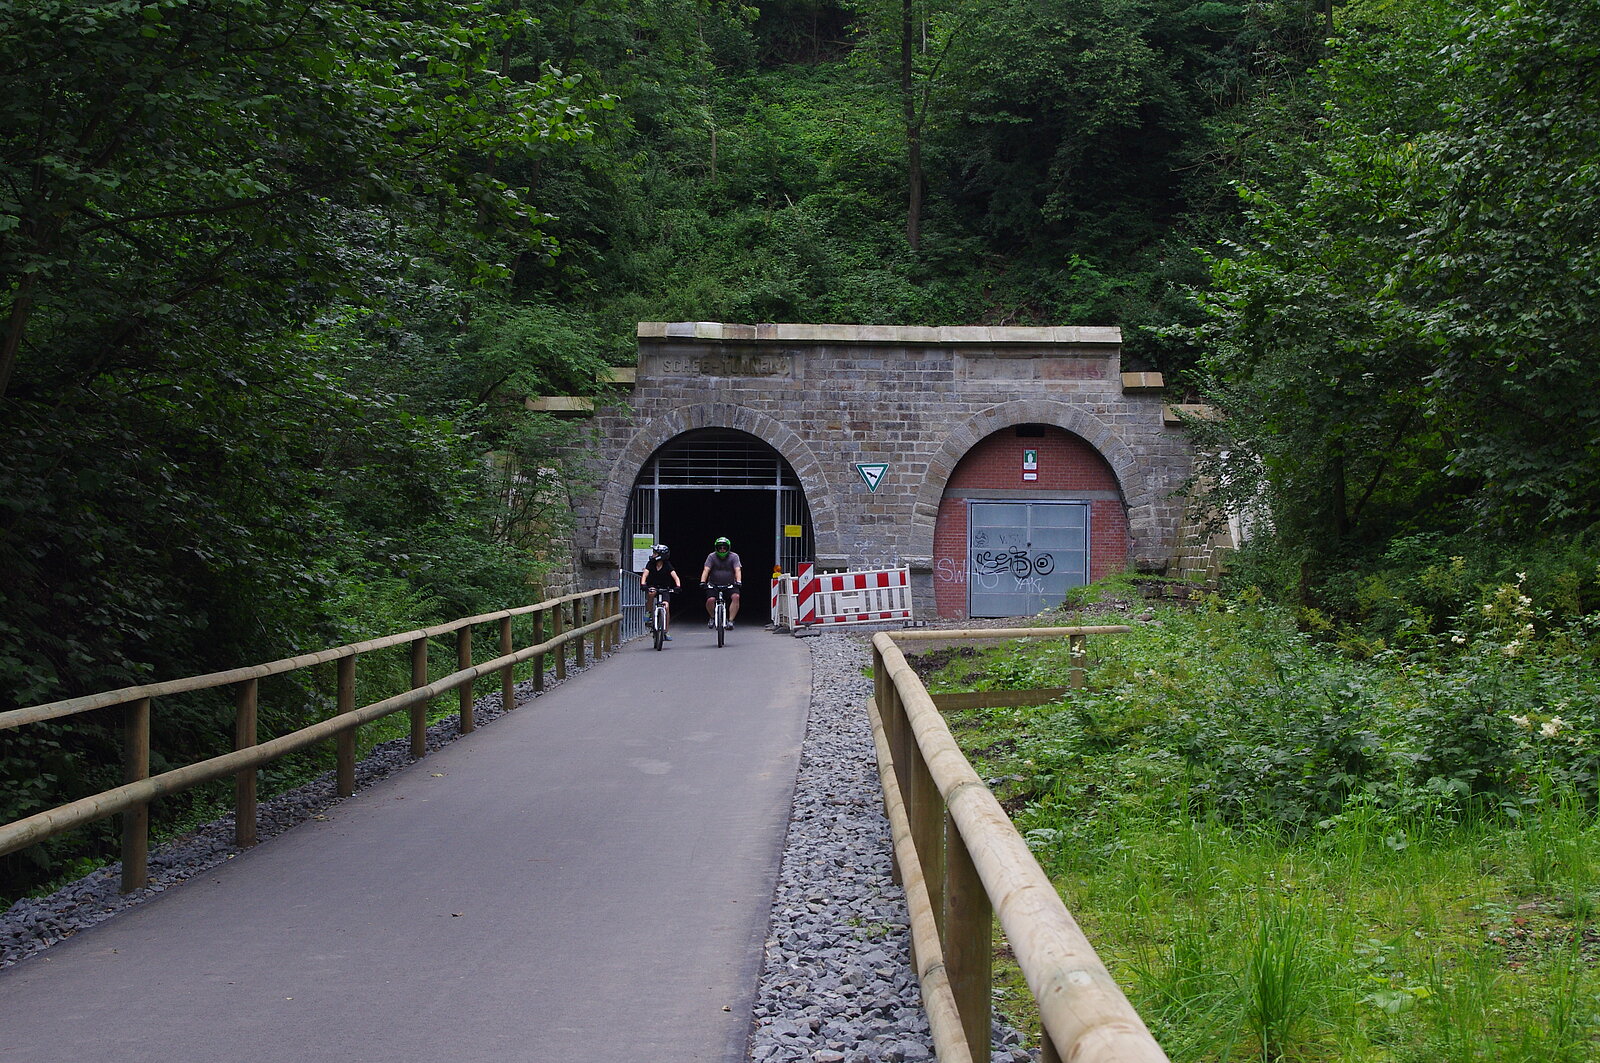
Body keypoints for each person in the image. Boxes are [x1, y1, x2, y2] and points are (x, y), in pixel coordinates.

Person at [699, 535, 742, 629]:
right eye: (720, 548)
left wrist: (738, 581)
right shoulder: (711, 556)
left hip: (730, 585)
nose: (722, 550)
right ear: (716, 548)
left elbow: (737, 570)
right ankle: (712, 617)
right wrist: (703, 581)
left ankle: (730, 621)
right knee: (710, 600)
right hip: (714, 584)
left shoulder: (734, 557)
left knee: (736, 597)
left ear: (728, 548)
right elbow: (706, 570)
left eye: (724, 548)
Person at [640, 544, 681, 640]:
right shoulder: (650, 564)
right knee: (651, 593)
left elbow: (675, 577)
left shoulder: (667, 565)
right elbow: (645, 575)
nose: (653, 555)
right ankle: (649, 613)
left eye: (655, 553)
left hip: (664, 589)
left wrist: (678, 586)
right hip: (653, 586)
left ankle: (665, 631)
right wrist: (643, 584)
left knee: (666, 606)